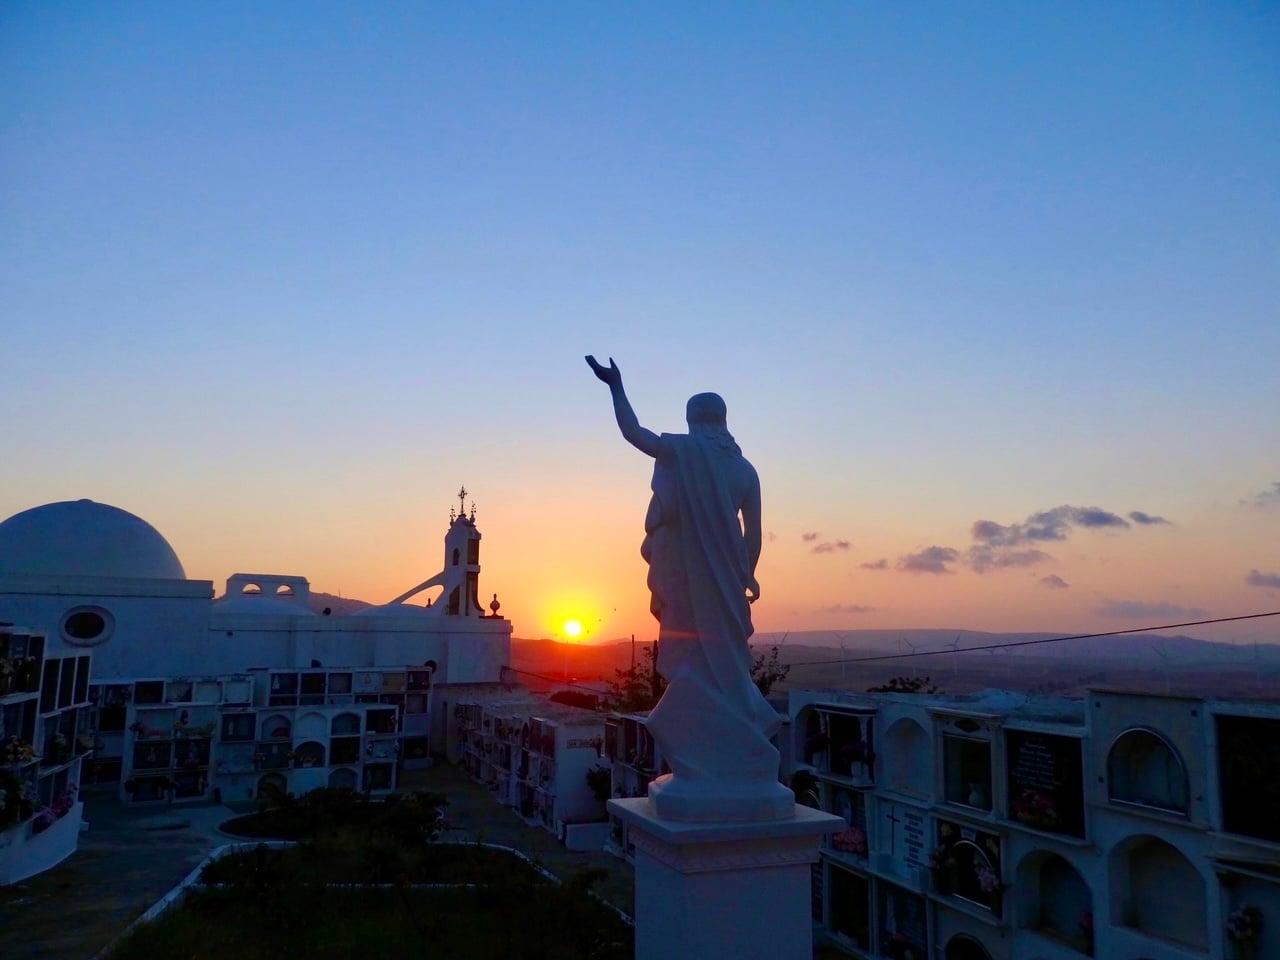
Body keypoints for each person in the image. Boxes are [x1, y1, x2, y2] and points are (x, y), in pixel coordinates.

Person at [587, 355, 791, 820]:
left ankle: (727, 744)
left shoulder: (682, 451)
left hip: (688, 579)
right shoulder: (746, 471)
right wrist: (747, 573)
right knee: (728, 661)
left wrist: (616, 387)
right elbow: (753, 535)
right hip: (726, 581)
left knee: (695, 660)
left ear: (692, 421)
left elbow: (633, 434)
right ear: (723, 421)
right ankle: (740, 736)